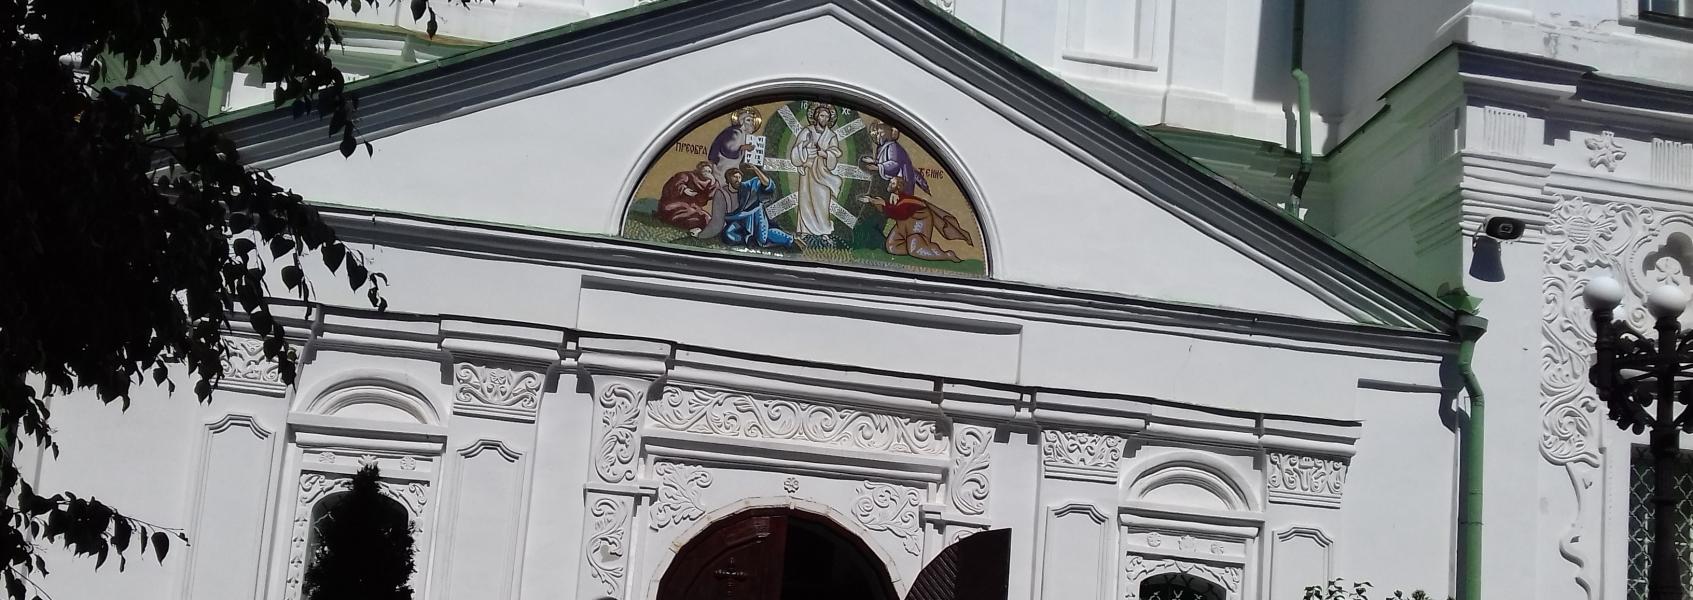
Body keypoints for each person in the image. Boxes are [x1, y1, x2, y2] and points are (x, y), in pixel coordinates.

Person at [857, 175, 971, 262]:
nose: (889, 184)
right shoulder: (895, 197)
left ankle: (946, 255)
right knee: (892, 247)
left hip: (918, 224)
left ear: (898, 187)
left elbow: (900, 213)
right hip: (903, 225)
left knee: (914, 249)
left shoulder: (908, 200)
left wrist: (883, 204)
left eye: (892, 183)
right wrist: (872, 201)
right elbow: (890, 209)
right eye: (890, 182)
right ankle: (917, 246)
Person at [790, 102, 843, 236]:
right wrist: (805, 147)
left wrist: (824, 154)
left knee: (822, 203)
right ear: (816, 116)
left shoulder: (831, 136)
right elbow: (796, 152)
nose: (824, 119)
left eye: (827, 117)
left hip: (822, 174)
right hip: (808, 173)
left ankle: (823, 231)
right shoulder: (807, 131)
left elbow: (834, 155)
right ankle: (805, 232)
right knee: (806, 202)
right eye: (822, 116)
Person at [721, 165, 804, 250]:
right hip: (739, 220)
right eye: (735, 177)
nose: (738, 179)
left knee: (762, 239)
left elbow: (769, 185)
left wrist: (756, 170)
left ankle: (790, 239)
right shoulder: (723, 192)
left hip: (755, 216)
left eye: (739, 177)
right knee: (728, 234)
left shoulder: (748, 186)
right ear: (729, 178)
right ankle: (749, 238)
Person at [860, 122, 929, 196]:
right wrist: (875, 162)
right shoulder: (882, 147)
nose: (875, 138)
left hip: (902, 183)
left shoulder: (893, 147)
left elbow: (895, 165)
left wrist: (878, 167)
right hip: (895, 183)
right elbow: (884, 161)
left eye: (877, 134)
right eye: (874, 136)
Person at [655, 162, 718, 234]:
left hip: (692, 207)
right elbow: (672, 186)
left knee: (706, 217)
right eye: (705, 171)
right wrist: (684, 189)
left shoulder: (708, 183)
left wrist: (713, 182)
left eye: (709, 171)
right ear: (699, 170)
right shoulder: (686, 175)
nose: (707, 173)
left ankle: (697, 230)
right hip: (674, 205)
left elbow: (708, 196)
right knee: (691, 214)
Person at [708, 107, 763, 179]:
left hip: (733, 166)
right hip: (724, 165)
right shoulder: (736, 132)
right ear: (742, 122)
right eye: (748, 120)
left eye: (752, 121)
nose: (751, 123)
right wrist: (743, 147)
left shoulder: (744, 134)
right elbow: (728, 149)